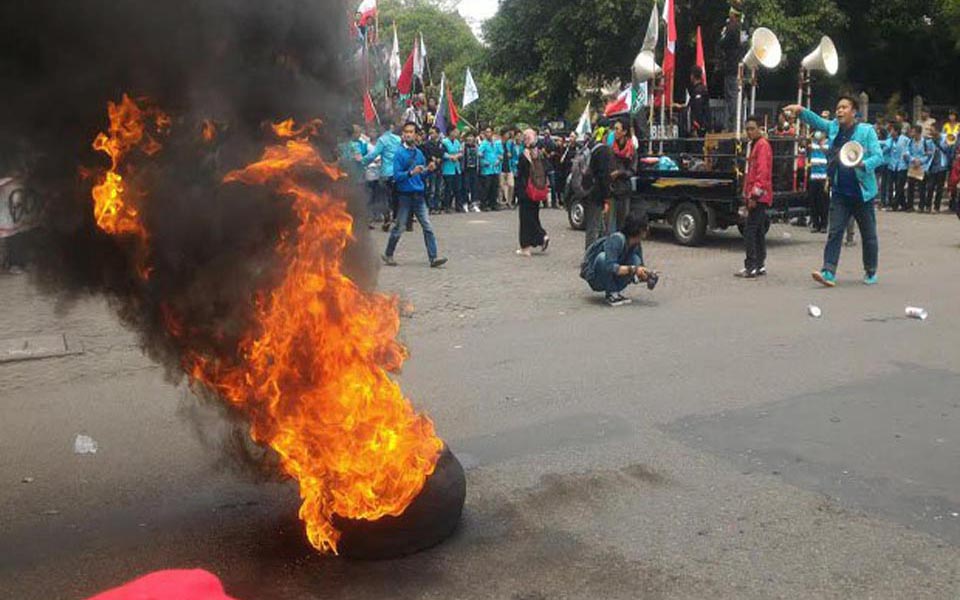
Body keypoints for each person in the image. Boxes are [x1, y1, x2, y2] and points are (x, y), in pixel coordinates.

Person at [784, 95, 883, 287]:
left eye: (844, 107)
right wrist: (800, 110)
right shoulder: (834, 128)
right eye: (838, 107)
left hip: (863, 193)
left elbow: (879, 156)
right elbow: (817, 121)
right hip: (840, 192)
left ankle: (870, 270)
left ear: (853, 111)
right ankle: (828, 271)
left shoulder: (866, 131)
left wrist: (863, 164)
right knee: (835, 232)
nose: (839, 111)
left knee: (869, 235)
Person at [382, 121, 448, 268]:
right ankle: (388, 254)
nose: (408, 134)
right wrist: (411, 172)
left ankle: (433, 257)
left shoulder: (419, 154)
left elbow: (422, 176)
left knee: (427, 226)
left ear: (416, 135)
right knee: (399, 227)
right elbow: (397, 177)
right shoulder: (399, 153)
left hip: (418, 195)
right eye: (406, 132)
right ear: (403, 135)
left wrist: (429, 170)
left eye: (411, 132)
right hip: (404, 196)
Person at [580, 211, 659, 307]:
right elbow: (610, 267)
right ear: (639, 229)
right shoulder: (617, 239)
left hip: (615, 276)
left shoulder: (636, 244)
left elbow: (637, 270)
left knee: (636, 260)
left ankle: (615, 292)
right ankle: (611, 292)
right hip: (596, 277)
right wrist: (634, 269)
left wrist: (648, 277)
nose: (648, 229)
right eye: (645, 226)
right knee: (602, 258)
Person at [736, 116, 772, 278]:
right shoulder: (757, 145)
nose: (749, 132)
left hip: (759, 196)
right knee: (757, 231)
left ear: (759, 129)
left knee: (750, 231)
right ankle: (760, 264)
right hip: (759, 195)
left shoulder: (762, 146)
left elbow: (762, 173)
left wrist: (753, 196)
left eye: (752, 128)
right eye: (747, 129)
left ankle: (751, 266)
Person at [514, 128, 550, 256]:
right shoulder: (539, 153)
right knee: (534, 215)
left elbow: (521, 173)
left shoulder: (524, 154)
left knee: (525, 218)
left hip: (526, 190)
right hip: (537, 189)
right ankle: (539, 238)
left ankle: (527, 246)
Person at [362, 122, 403, 231]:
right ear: (391, 127)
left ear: (382, 128)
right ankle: (398, 219)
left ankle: (387, 218)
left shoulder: (382, 140)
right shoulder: (398, 139)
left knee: (385, 197)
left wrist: (362, 161)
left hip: (386, 172)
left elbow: (373, 154)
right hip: (397, 171)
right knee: (396, 196)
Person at [584, 131, 613, 249]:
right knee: (596, 227)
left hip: (591, 191)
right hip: (598, 194)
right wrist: (606, 198)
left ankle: (597, 254)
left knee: (598, 227)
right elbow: (604, 176)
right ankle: (590, 257)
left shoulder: (594, 148)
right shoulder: (604, 151)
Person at [608, 119, 636, 234]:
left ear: (624, 132)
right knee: (609, 225)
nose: (615, 132)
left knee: (622, 223)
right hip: (611, 189)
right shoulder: (610, 148)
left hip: (624, 190)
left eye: (617, 129)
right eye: (614, 129)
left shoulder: (631, 149)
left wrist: (619, 173)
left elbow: (632, 171)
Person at [719, 7, 745, 132]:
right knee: (735, 96)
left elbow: (723, 43)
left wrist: (723, 34)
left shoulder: (731, 27)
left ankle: (731, 126)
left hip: (731, 67)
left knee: (731, 97)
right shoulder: (741, 28)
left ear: (733, 15)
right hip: (738, 66)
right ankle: (736, 124)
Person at [673, 68, 710, 138]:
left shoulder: (698, 91)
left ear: (692, 76)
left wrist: (695, 126)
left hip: (698, 127)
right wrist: (681, 106)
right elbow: (691, 105)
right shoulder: (702, 89)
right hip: (701, 125)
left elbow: (697, 108)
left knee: (696, 146)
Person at [906, 124, 933, 212]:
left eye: (913, 131)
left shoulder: (926, 142)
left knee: (922, 188)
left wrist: (921, 161)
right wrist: (913, 159)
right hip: (913, 166)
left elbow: (928, 155)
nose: (911, 133)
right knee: (910, 187)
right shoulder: (910, 141)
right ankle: (910, 206)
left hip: (922, 167)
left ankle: (921, 206)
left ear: (918, 132)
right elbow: (907, 152)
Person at [807, 131, 829, 232]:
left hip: (823, 178)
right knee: (813, 202)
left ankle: (824, 224)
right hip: (813, 177)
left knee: (823, 203)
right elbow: (806, 141)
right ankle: (816, 224)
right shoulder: (813, 145)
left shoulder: (828, 145)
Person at [440, 127, 464, 214]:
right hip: (448, 168)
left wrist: (457, 155)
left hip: (456, 168)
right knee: (448, 188)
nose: (456, 133)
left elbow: (461, 151)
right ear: (450, 132)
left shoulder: (457, 142)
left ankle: (459, 206)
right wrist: (451, 157)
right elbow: (442, 153)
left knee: (458, 188)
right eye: (455, 131)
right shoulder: (444, 142)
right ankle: (446, 206)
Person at [478, 127, 502, 211]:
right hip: (487, 169)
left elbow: (500, 154)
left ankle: (493, 203)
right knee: (486, 188)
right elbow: (479, 153)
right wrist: (484, 161)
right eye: (486, 132)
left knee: (494, 187)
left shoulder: (496, 143)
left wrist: (499, 159)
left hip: (495, 168)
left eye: (489, 132)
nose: (488, 134)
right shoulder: (484, 143)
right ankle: (484, 204)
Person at [462, 131, 481, 212]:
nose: (470, 138)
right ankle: (465, 203)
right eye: (468, 137)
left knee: (474, 187)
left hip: (474, 169)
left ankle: (474, 204)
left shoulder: (476, 146)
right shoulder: (463, 146)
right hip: (466, 169)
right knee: (466, 187)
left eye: (472, 136)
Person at [500, 128, 517, 208]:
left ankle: (509, 202)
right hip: (500, 167)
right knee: (501, 186)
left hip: (509, 166)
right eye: (507, 133)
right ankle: (501, 202)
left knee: (511, 185)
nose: (508, 135)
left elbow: (514, 154)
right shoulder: (498, 143)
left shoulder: (510, 143)